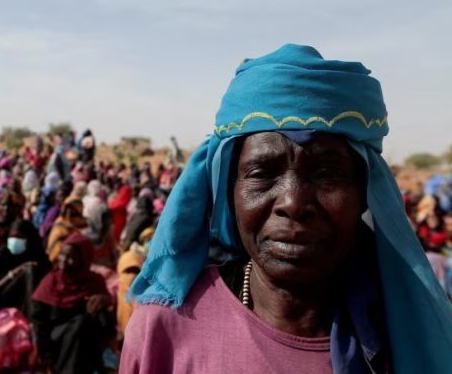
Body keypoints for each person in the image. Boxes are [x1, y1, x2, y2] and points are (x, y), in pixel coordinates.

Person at [121, 44, 452, 373]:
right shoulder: (163, 329)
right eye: (262, 173)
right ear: (228, 191)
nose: (293, 203)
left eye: (326, 175)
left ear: (366, 193)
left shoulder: (410, 339)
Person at [31, 233, 115, 374]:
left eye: (71, 257)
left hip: (86, 342)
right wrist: (44, 353)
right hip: (57, 339)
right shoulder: (51, 281)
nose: (64, 261)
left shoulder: (94, 282)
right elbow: (38, 320)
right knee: (79, 324)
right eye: (62, 255)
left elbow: (105, 322)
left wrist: (102, 302)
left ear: (83, 259)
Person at [0, 219, 51, 322]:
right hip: (3, 297)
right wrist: (15, 272)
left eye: (19, 237)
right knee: (29, 271)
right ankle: (34, 321)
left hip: (31, 298)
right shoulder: (2, 253)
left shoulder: (37, 254)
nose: (14, 241)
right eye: (12, 237)